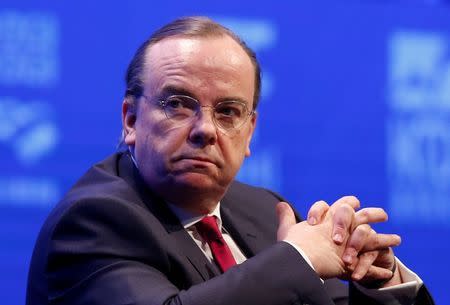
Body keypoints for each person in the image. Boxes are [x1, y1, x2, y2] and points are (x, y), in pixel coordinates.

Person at [26, 16, 434, 305]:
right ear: (131, 120)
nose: (205, 129)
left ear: (250, 131)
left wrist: (379, 280)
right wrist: (300, 259)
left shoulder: (262, 209)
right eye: (178, 105)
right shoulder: (93, 221)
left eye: (227, 113)